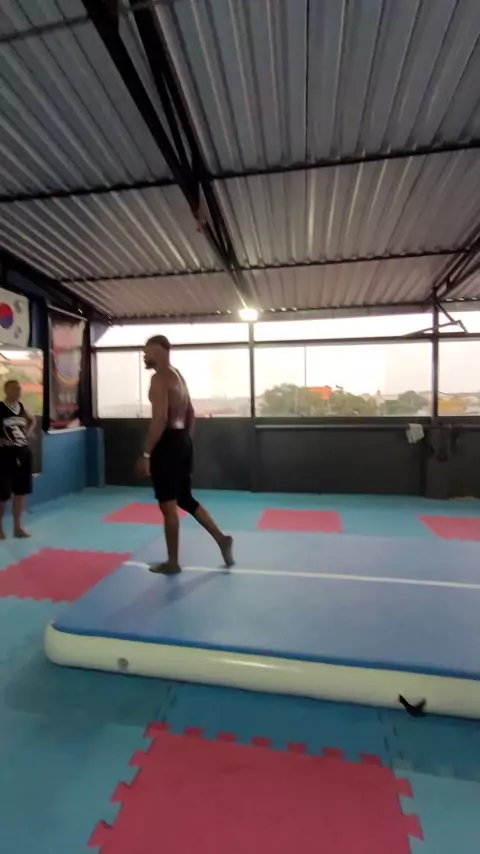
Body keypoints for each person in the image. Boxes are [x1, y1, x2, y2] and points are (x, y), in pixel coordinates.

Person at [137, 335, 234, 574]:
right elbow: (190, 411)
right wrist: (185, 442)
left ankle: (173, 562)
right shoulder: (178, 376)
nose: (144, 356)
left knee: (168, 506)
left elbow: (160, 419)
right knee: (185, 499)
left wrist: (146, 454)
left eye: (147, 351)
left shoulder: (159, 378)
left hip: (167, 444)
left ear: (159, 351)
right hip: (182, 441)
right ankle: (221, 538)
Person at [0, 379, 36, 539]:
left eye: (19, 389)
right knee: (2, 495)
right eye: (14, 388)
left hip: (23, 452)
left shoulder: (22, 407)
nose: (17, 391)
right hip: (5, 455)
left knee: (21, 492)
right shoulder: (1, 408)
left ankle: (18, 527)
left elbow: (32, 420)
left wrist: (28, 432)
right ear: (6, 390)